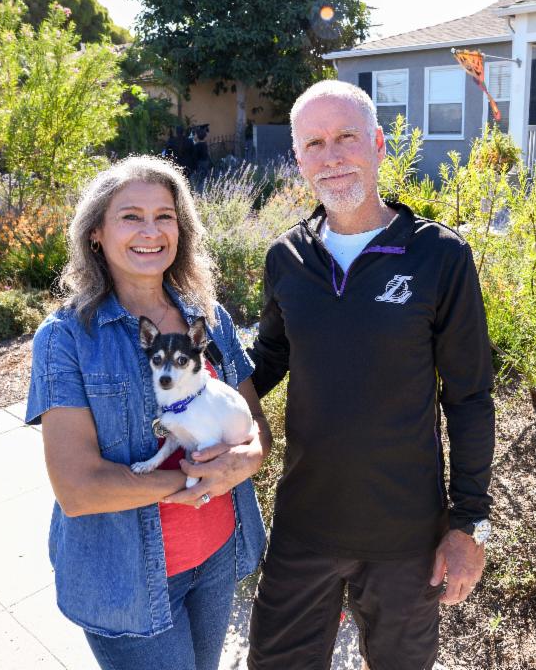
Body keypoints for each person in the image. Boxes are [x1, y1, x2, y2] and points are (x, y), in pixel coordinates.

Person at [247, 80, 496, 669]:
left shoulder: (439, 256)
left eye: (345, 137)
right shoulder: (288, 257)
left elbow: (469, 397)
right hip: (305, 522)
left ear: (379, 143)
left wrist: (469, 526)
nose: (330, 157)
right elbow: (270, 359)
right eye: (313, 144)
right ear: (299, 160)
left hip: (405, 535)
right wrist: (198, 392)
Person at [25, 156, 271, 670]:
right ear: (96, 233)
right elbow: (78, 488)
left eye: (165, 215)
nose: (151, 231)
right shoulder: (67, 338)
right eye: (131, 216)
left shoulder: (208, 317)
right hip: (127, 581)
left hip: (219, 554)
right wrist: (196, 482)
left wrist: (247, 460)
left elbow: (254, 425)